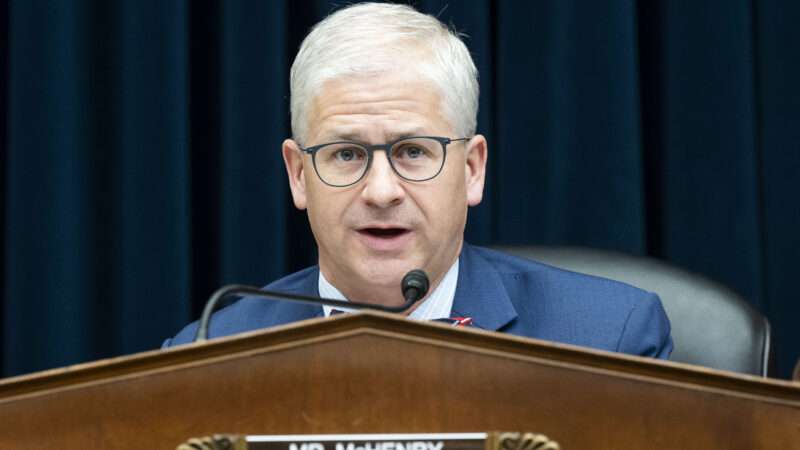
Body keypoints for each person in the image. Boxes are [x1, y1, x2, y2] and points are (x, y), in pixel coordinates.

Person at [165, 2, 672, 358]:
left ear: (472, 169)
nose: (381, 191)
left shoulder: (607, 338)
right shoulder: (207, 357)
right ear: (299, 175)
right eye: (346, 153)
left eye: (412, 151)